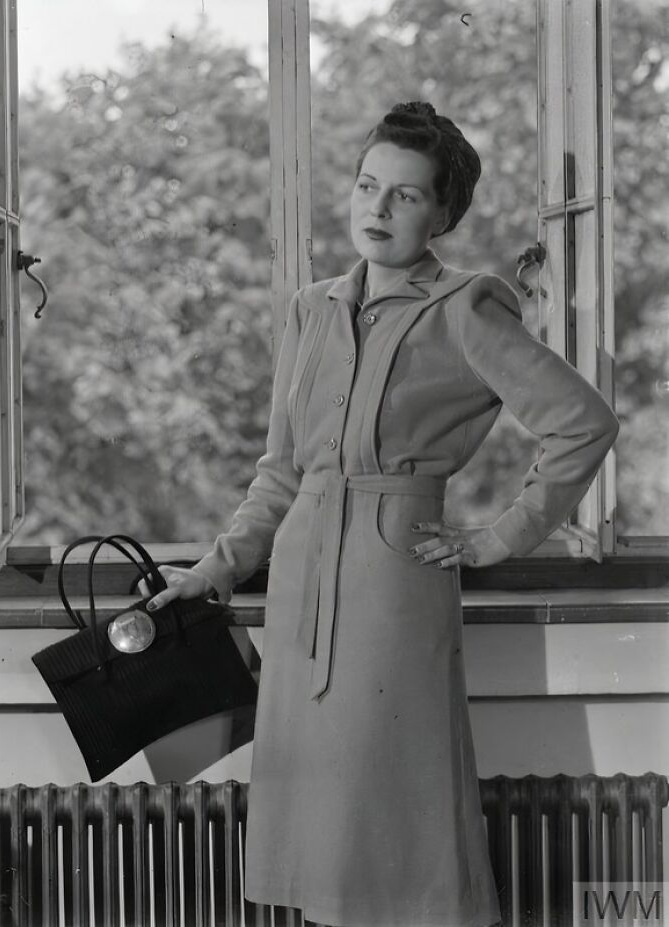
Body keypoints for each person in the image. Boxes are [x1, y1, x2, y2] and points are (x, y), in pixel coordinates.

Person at [139, 102, 620, 927]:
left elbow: (584, 422)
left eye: (406, 195)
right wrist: (217, 568)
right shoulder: (311, 307)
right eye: (368, 186)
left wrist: (499, 537)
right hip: (299, 591)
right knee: (316, 845)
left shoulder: (467, 307)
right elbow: (282, 471)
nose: (379, 208)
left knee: (395, 831)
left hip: (393, 584)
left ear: (442, 213)